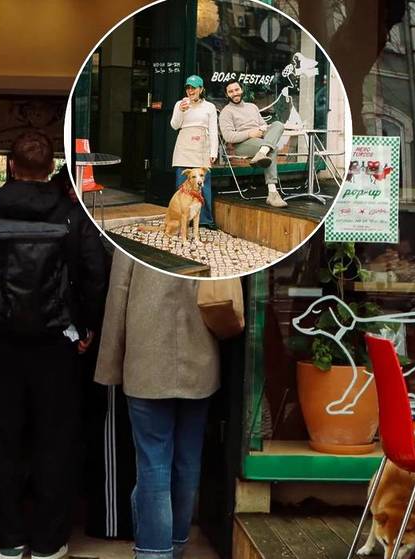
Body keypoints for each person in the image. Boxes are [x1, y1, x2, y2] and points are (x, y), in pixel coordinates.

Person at [0, 130, 107, 559]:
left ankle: (8, 539)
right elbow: (94, 275)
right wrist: (86, 329)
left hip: (0, 344)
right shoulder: (69, 216)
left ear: (11, 167)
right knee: (56, 442)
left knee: (1, 440)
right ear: (50, 170)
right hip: (56, 346)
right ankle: (48, 542)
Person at [94, 251, 222, 559]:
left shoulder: (134, 233)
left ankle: (154, 552)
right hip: (201, 357)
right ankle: (176, 544)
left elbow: (119, 293)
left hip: (146, 359)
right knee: (188, 461)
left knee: (153, 463)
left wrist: (110, 364)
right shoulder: (210, 231)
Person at [218, 78, 288, 208]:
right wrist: (250, 133)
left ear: (242, 90)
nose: (235, 93)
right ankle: (273, 193)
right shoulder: (226, 112)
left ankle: (262, 152)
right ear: (227, 94)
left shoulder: (252, 107)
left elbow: (263, 125)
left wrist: (263, 129)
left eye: (236, 89)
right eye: (231, 91)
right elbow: (228, 137)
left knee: (278, 124)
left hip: (260, 139)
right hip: (242, 144)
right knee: (271, 149)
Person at [170, 75, 218, 229]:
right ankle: (182, 220)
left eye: (194, 87)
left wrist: (214, 151)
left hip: (201, 148)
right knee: (182, 187)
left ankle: (205, 220)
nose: (190, 91)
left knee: (204, 186)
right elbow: (174, 125)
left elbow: (213, 130)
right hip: (184, 148)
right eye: (188, 87)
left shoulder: (209, 107)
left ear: (201, 89)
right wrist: (181, 111)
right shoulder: (180, 103)